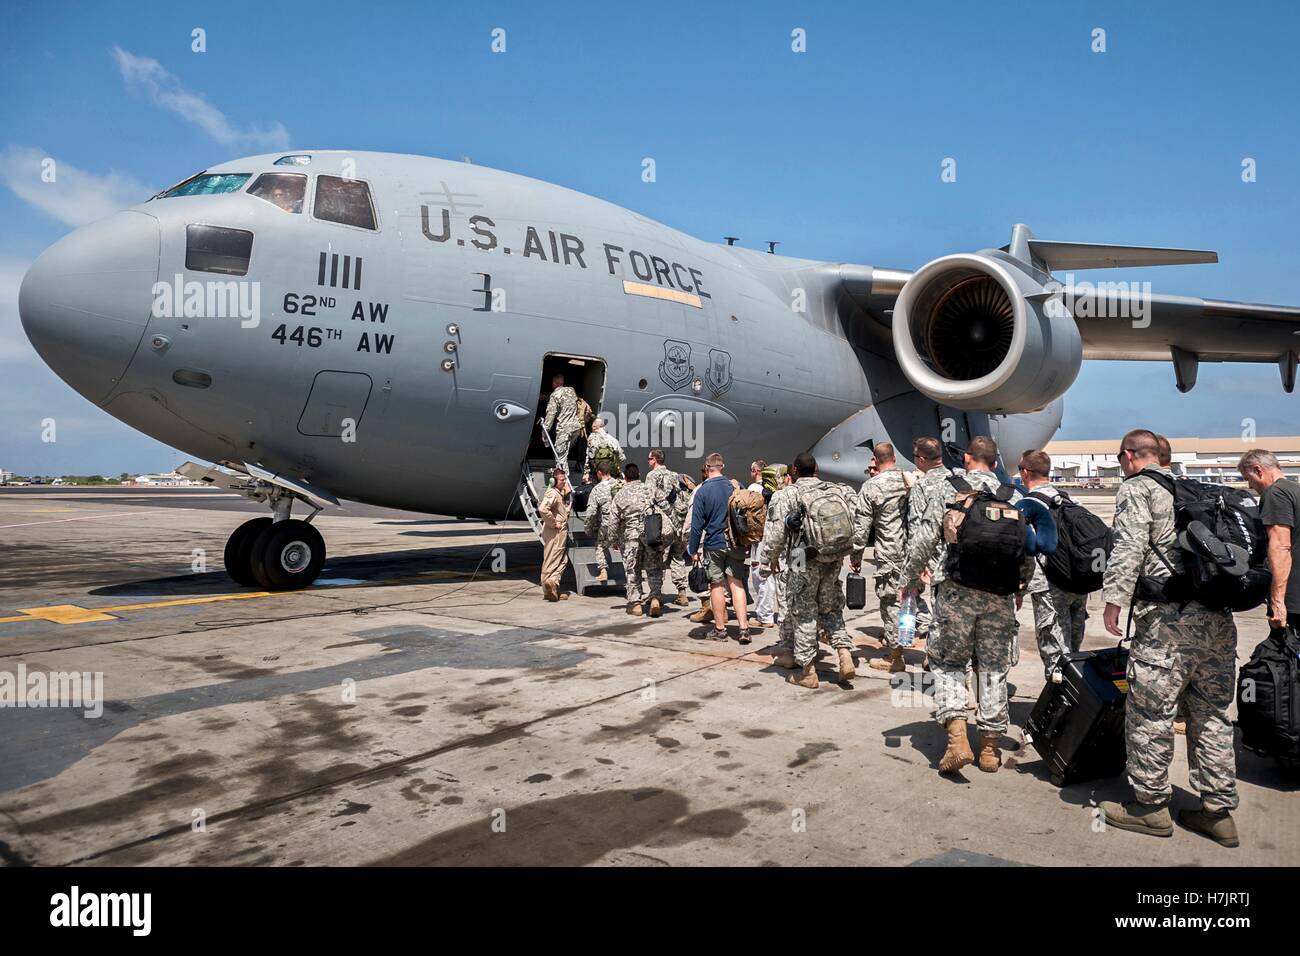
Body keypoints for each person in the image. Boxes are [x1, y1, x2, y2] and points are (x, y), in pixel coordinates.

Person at [1099, 429, 1240, 847]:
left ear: (1128, 457)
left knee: (1151, 713)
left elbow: (1127, 546)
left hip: (1168, 624)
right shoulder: (1192, 489)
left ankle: (1149, 806)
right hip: (1217, 621)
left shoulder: (1139, 489)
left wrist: (1114, 600)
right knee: (1211, 714)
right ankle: (1218, 812)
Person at [901, 436, 1033, 774]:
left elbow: (924, 539)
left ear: (970, 459)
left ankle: (958, 737)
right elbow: (1027, 549)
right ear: (994, 462)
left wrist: (909, 581)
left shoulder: (949, 489)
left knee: (948, 663)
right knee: (992, 668)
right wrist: (1019, 586)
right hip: (999, 594)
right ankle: (989, 748)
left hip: (956, 591)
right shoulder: (1013, 494)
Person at [757, 452, 861, 687]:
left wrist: (765, 563)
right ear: (816, 469)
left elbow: (774, 535)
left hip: (800, 559)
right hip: (832, 557)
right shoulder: (836, 490)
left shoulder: (787, 494)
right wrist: (855, 555)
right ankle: (844, 654)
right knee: (832, 607)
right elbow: (856, 523)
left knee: (803, 612)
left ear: (794, 471)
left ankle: (807, 671)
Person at [852, 443, 927, 673]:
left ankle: (895, 657)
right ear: (894, 458)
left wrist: (856, 554)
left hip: (889, 554)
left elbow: (862, 527)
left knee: (892, 603)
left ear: (875, 459)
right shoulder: (912, 481)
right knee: (914, 600)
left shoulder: (871, 487)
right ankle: (934, 649)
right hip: (915, 551)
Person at [1019, 449, 1089, 679]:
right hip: (1078, 581)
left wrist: (1020, 585)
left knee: (1055, 652)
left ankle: (1064, 703)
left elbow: (1027, 550)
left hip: (1048, 585)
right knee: (1073, 649)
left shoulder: (1028, 505)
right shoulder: (1070, 499)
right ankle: (1077, 696)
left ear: (1026, 472)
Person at [687, 453, 752, 643]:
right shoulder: (734, 486)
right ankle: (744, 629)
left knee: (716, 585)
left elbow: (697, 524)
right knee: (736, 584)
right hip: (735, 543)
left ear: (706, 468)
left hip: (714, 544)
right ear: (722, 466)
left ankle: (720, 629)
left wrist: (693, 548)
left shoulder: (702, 491)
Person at [1239, 449, 1298, 632]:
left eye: (1248, 479)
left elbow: (1281, 546)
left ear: (1258, 470)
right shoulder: (1295, 489)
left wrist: (1278, 602)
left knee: (1278, 656)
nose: (1250, 486)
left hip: (1293, 598)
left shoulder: (1275, 493)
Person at [605, 463, 662, 617]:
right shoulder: (650, 489)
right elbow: (665, 507)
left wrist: (613, 540)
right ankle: (655, 598)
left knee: (632, 570)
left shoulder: (620, 495)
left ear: (625, 477)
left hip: (630, 538)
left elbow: (613, 522)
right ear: (639, 475)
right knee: (654, 567)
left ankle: (636, 604)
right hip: (651, 535)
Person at [644, 449, 692, 612]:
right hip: (677, 523)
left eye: (650, 459)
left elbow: (649, 498)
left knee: (656, 560)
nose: (648, 461)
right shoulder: (674, 475)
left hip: (661, 525)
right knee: (677, 557)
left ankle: (656, 597)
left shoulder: (652, 476)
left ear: (656, 460)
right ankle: (682, 593)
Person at [583, 460, 623, 584]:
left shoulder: (597, 489)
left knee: (600, 546)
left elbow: (591, 513)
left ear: (600, 473)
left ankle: (603, 570)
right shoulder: (620, 485)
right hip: (622, 525)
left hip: (607, 524)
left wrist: (588, 529)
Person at [538, 467, 572, 602]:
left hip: (558, 532)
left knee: (562, 560)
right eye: (562, 480)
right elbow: (542, 509)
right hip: (555, 533)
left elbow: (557, 511)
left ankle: (553, 584)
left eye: (565, 479)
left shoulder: (557, 493)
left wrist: (566, 509)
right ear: (554, 481)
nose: (564, 482)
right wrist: (553, 523)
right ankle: (548, 589)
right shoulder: (552, 493)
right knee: (551, 560)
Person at [542, 373, 583, 472]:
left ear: (554, 383)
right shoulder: (571, 390)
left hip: (564, 429)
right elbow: (567, 401)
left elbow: (550, 415)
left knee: (560, 456)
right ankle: (561, 472)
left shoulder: (554, 395)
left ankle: (563, 479)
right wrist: (546, 397)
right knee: (565, 451)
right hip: (576, 427)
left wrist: (544, 433)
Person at [585, 417, 624, 481]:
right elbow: (621, 458)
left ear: (594, 427)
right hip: (611, 474)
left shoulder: (592, 438)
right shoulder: (613, 440)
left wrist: (586, 472)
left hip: (597, 474)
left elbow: (589, 456)